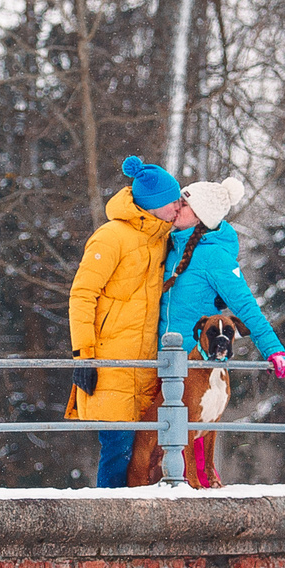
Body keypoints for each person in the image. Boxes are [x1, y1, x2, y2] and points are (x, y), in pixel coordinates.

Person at [68, 155, 196, 488]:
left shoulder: (161, 240)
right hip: (112, 365)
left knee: (146, 457)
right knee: (117, 452)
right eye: (172, 202)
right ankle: (105, 528)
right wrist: (84, 354)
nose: (178, 207)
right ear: (153, 204)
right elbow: (82, 295)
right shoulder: (111, 237)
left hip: (147, 368)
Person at [157, 176, 285, 379]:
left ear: (200, 217)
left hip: (194, 367)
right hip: (160, 362)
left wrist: (274, 350)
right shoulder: (170, 246)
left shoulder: (214, 256)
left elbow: (245, 306)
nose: (176, 206)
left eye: (184, 204)